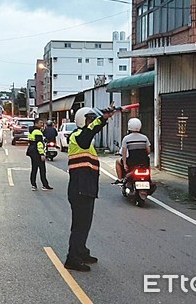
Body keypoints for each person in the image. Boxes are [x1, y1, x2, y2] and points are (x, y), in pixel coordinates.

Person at [65, 106, 114, 272]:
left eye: (92, 119)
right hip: (80, 188)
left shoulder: (87, 142)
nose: (91, 123)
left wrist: (103, 119)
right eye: (89, 119)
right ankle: (72, 258)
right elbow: (89, 133)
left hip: (86, 188)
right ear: (81, 121)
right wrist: (103, 119)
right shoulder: (77, 137)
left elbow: (91, 133)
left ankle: (82, 251)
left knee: (85, 224)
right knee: (80, 225)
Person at [119, 118, 151, 187]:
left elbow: (124, 153)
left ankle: (120, 179)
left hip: (131, 161)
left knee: (117, 162)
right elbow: (148, 151)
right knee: (148, 162)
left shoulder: (126, 138)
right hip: (144, 162)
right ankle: (149, 180)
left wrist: (124, 164)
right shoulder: (144, 138)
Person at [26, 118, 53, 191]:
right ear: (36, 124)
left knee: (34, 169)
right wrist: (42, 154)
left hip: (32, 151)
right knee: (42, 169)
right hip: (37, 152)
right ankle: (45, 185)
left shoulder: (31, 131)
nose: (42, 124)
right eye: (40, 123)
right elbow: (39, 144)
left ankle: (33, 185)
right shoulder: (37, 132)